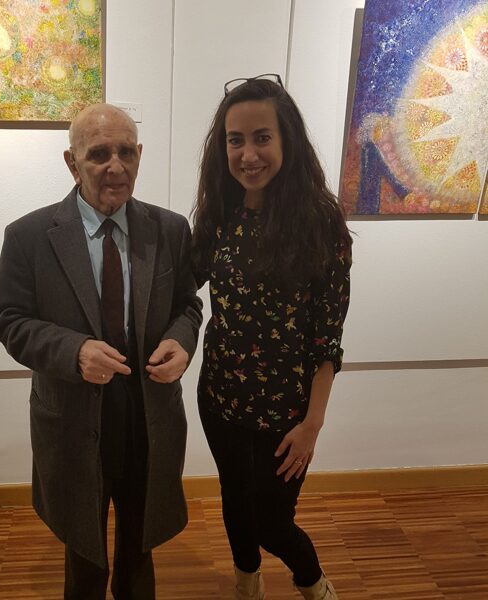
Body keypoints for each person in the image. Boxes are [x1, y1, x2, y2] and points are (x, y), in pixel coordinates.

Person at [0, 103, 202, 600]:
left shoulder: (170, 230)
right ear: (72, 162)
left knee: (140, 545)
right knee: (84, 551)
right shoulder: (28, 236)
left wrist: (181, 340)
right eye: (99, 154)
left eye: (126, 152)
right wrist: (75, 351)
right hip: (72, 417)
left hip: (147, 415)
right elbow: (10, 321)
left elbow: (188, 305)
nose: (116, 166)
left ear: (140, 155)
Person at [191, 74, 352, 600]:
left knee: (273, 522)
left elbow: (327, 341)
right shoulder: (219, 213)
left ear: (287, 140)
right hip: (220, 399)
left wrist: (312, 425)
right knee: (235, 503)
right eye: (235, 140)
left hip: (286, 413)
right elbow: (181, 284)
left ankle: (313, 584)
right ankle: (247, 584)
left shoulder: (321, 223)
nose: (248, 154)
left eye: (262, 137)